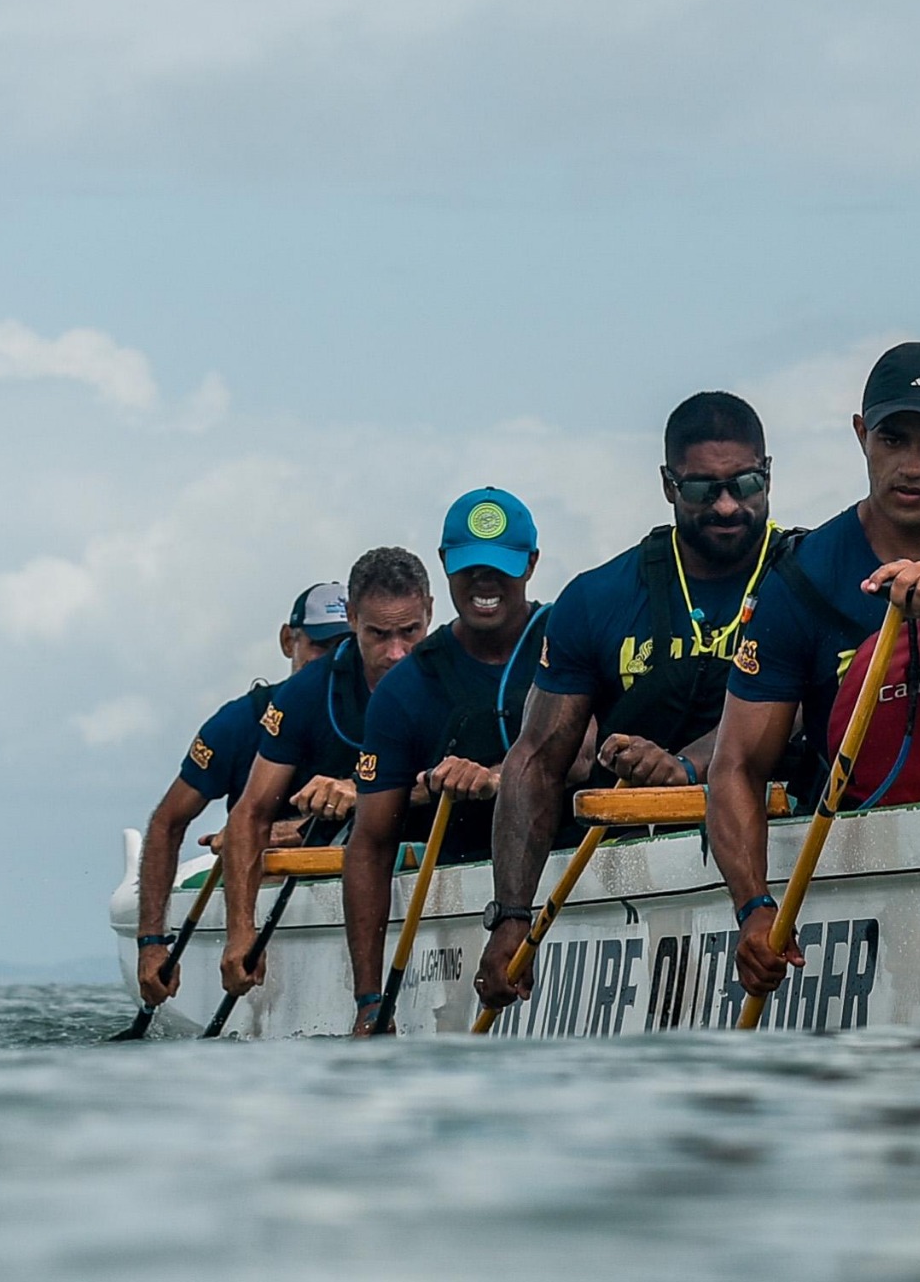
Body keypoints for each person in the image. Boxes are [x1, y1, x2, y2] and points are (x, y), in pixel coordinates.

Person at [702, 340, 920, 1013]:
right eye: (893, 438)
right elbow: (735, 765)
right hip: (862, 857)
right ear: (862, 434)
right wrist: (756, 908)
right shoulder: (800, 582)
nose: (911, 465)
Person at [475, 392, 800, 1010]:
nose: (728, 505)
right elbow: (537, 761)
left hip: (780, 850)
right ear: (668, 485)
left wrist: (685, 768)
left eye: (746, 483)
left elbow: (807, 704)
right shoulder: (595, 600)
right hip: (633, 870)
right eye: (703, 490)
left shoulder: (809, 572)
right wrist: (512, 916)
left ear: (769, 473)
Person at [343, 489, 552, 1034]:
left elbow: (582, 753)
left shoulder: (567, 641)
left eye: (501, 569)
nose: (485, 585)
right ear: (444, 566)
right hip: (460, 875)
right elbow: (369, 847)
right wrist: (369, 999)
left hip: (561, 868)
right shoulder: (405, 690)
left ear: (530, 564)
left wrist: (497, 778)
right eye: (470, 569)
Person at [219, 547, 432, 998]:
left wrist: (363, 790)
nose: (396, 653)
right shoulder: (305, 692)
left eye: (410, 632)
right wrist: (240, 933)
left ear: (430, 613)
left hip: (440, 844)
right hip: (362, 853)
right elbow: (249, 815)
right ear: (353, 618)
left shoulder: (453, 668)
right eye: (378, 634)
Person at [131, 583, 346, 1009]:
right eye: (322, 647)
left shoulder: (376, 711)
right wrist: (152, 942)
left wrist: (298, 831)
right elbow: (168, 822)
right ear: (289, 641)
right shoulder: (238, 723)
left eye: (347, 648)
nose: (334, 662)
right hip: (264, 879)